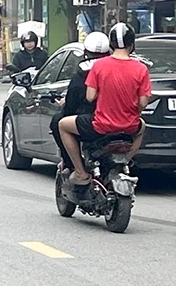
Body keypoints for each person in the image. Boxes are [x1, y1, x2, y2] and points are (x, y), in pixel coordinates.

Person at [59, 23, 151, 184]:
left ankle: (80, 172)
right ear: (132, 44)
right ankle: (124, 160)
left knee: (62, 125)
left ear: (111, 44)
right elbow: (143, 102)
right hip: (129, 127)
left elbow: (90, 97)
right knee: (142, 126)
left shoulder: (100, 66)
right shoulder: (141, 69)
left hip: (100, 126)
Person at [49, 32, 111, 172]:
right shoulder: (120, 68)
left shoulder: (83, 73)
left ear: (85, 52)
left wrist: (66, 106)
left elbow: (73, 104)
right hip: (120, 120)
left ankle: (77, 169)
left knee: (59, 122)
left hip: (93, 121)